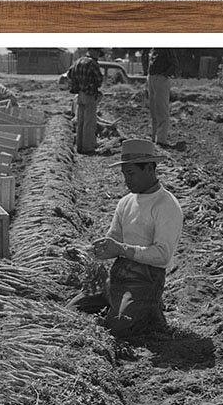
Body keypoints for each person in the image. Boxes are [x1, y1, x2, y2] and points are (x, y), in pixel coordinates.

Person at [66, 139, 184, 339]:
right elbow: (112, 240)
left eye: (131, 173)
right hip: (116, 276)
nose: (126, 180)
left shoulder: (166, 206)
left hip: (146, 280)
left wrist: (122, 249)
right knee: (69, 312)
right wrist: (85, 251)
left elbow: (162, 255)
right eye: (124, 174)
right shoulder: (126, 202)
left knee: (117, 330)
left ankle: (149, 309)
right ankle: (121, 304)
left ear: (149, 168)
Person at [66, 47, 104, 154]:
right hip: (90, 94)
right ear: (93, 51)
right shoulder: (93, 63)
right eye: (98, 53)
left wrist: (77, 84)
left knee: (81, 122)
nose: (98, 55)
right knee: (89, 122)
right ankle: (88, 148)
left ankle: (80, 146)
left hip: (80, 94)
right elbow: (99, 80)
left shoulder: (78, 61)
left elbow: (69, 74)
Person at [146, 48, 177, 147]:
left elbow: (174, 64)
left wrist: (164, 75)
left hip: (161, 78)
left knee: (162, 109)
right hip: (151, 77)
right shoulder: (154, 49)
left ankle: (161, 140)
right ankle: (154, 136)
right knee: (154, 110)